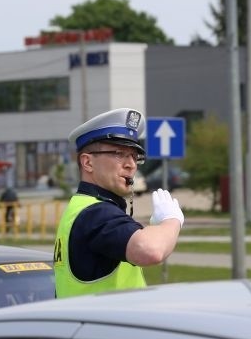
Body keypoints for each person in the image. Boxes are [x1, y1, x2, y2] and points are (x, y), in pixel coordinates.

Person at [53, 108, 184, 299]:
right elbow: (150, 251)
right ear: (87, 163)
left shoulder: (82, 208)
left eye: (134, 156)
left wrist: (154, 229)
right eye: (118, 153)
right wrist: (172, 220)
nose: (131, 164)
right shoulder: (96, 213)